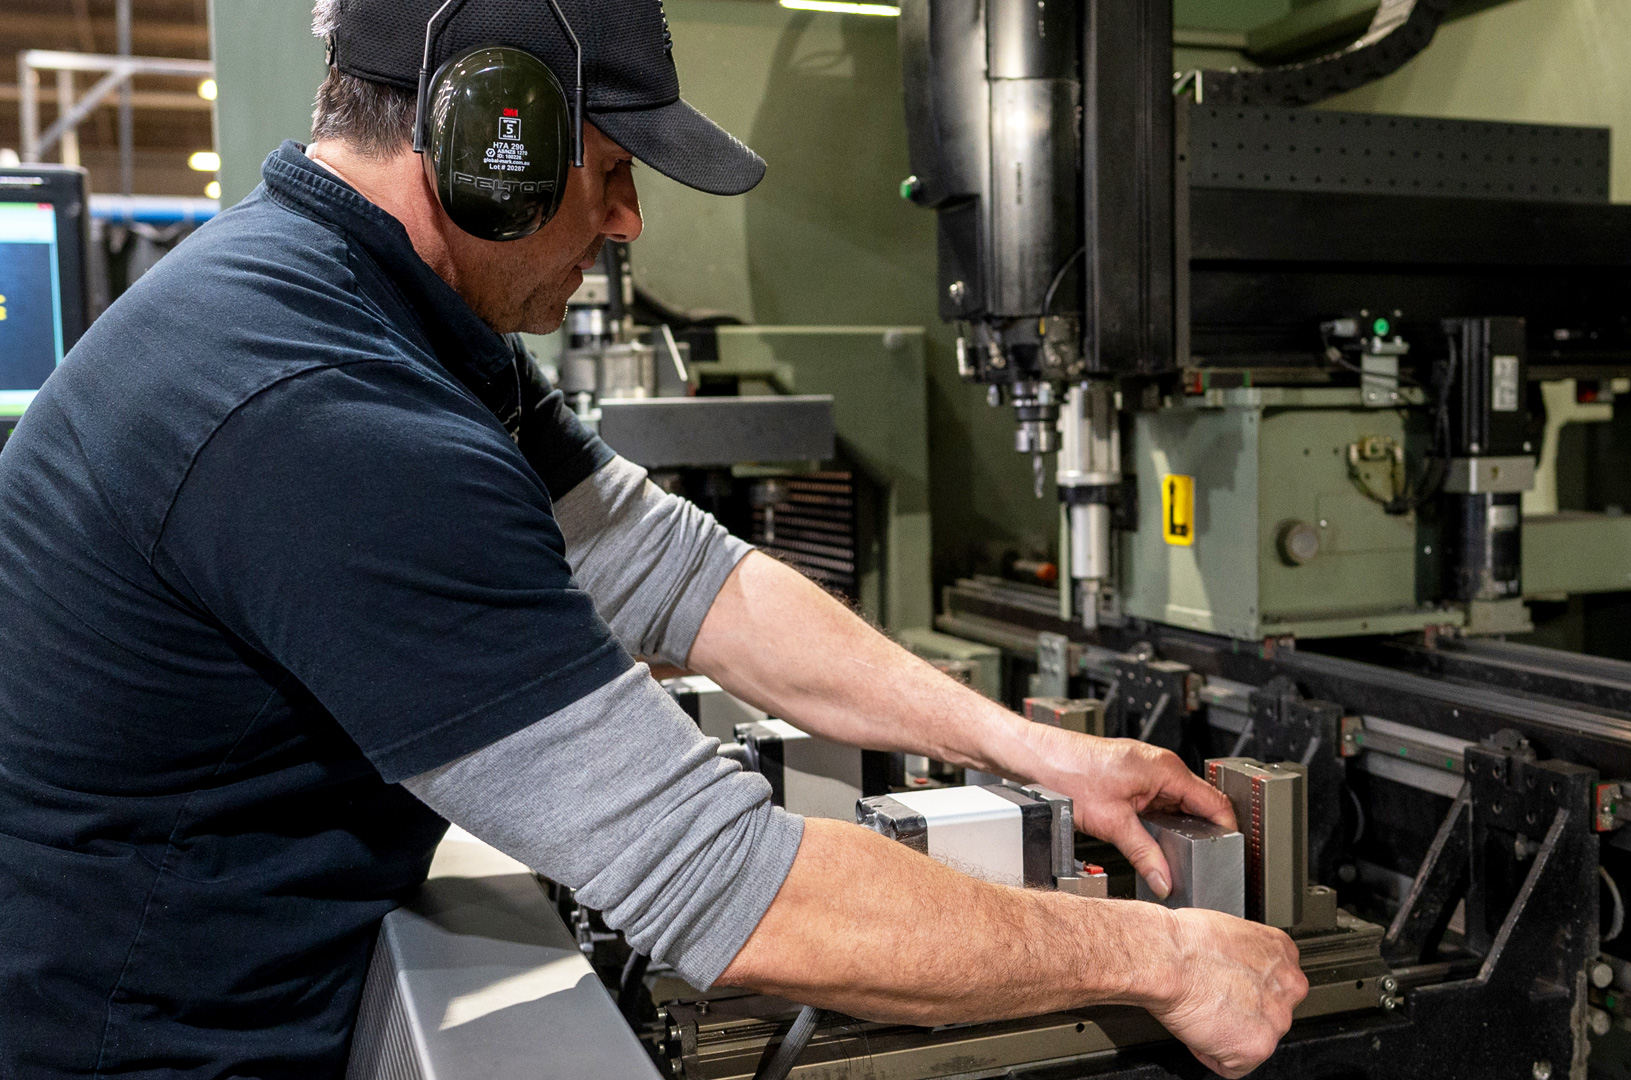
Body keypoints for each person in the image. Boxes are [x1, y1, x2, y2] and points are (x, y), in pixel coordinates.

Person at [0, 1, 1308, 1076]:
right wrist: (1166, 958)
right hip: (150, 1051)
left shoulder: (353, 312)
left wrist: (1034, 752)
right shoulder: (324, 412)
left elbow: (676, 570)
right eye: (614, 173)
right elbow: (731, 888)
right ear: (487, 148)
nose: (629, 225)